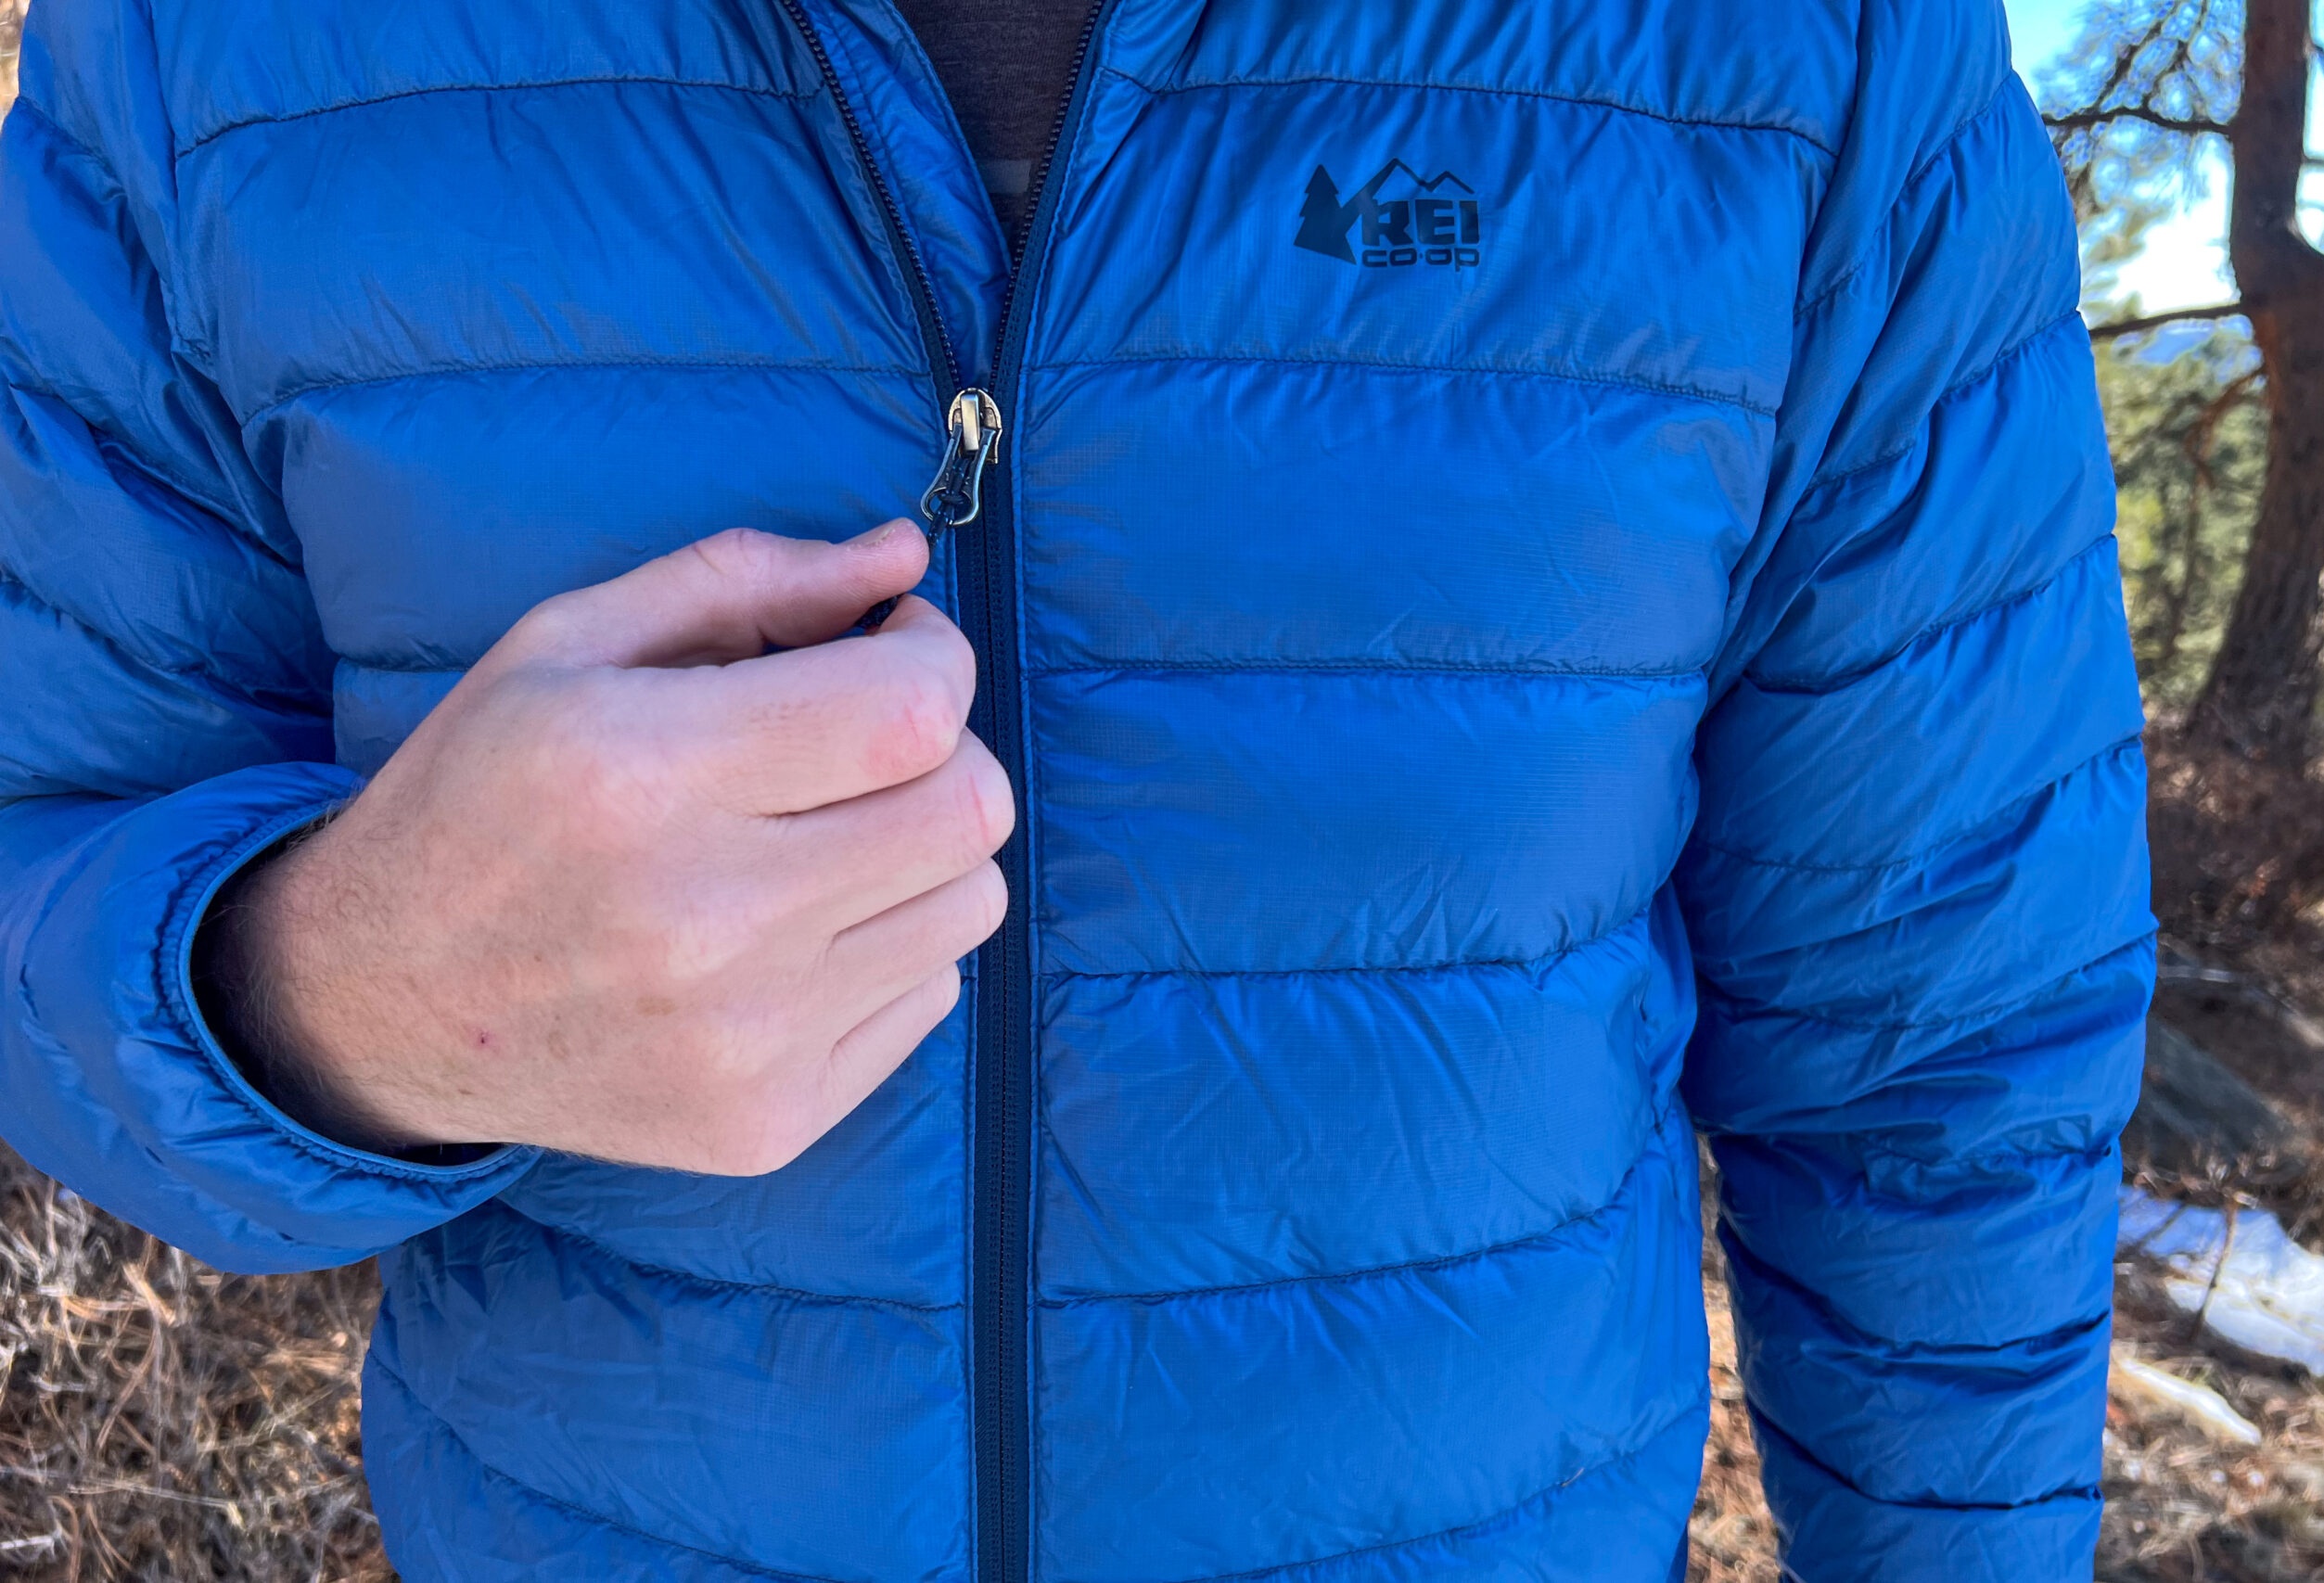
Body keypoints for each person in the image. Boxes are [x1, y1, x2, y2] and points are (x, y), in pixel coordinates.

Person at [0, 0, 2154, 1577]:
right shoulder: (210, 49)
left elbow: (1940, 1057)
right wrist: (327, 994)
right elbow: (43, 843)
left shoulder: (1807, 58)